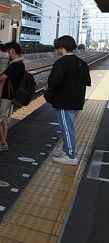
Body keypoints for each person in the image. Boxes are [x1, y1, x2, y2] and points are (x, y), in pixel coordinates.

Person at [45, 35, 91, 165]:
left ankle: (70, 156)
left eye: (57, 48)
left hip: (64, 101)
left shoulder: (61, 63)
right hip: (77, 99)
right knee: (67, 126)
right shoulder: (82, 63)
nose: (56, 50)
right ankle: (65, 151)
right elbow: (87, 81)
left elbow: (53, 82)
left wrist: (47, 88)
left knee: (67, 128)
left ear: (61, 47)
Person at [0, 41, 25, 152]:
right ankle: (3, 140)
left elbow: (1, 78)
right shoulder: (18, 64)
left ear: (12, 51)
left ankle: (2, 143)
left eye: (7, 52)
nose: (5, 55)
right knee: (3, 120)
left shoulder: (16, 65)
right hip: (7, 97)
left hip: (4, 97)